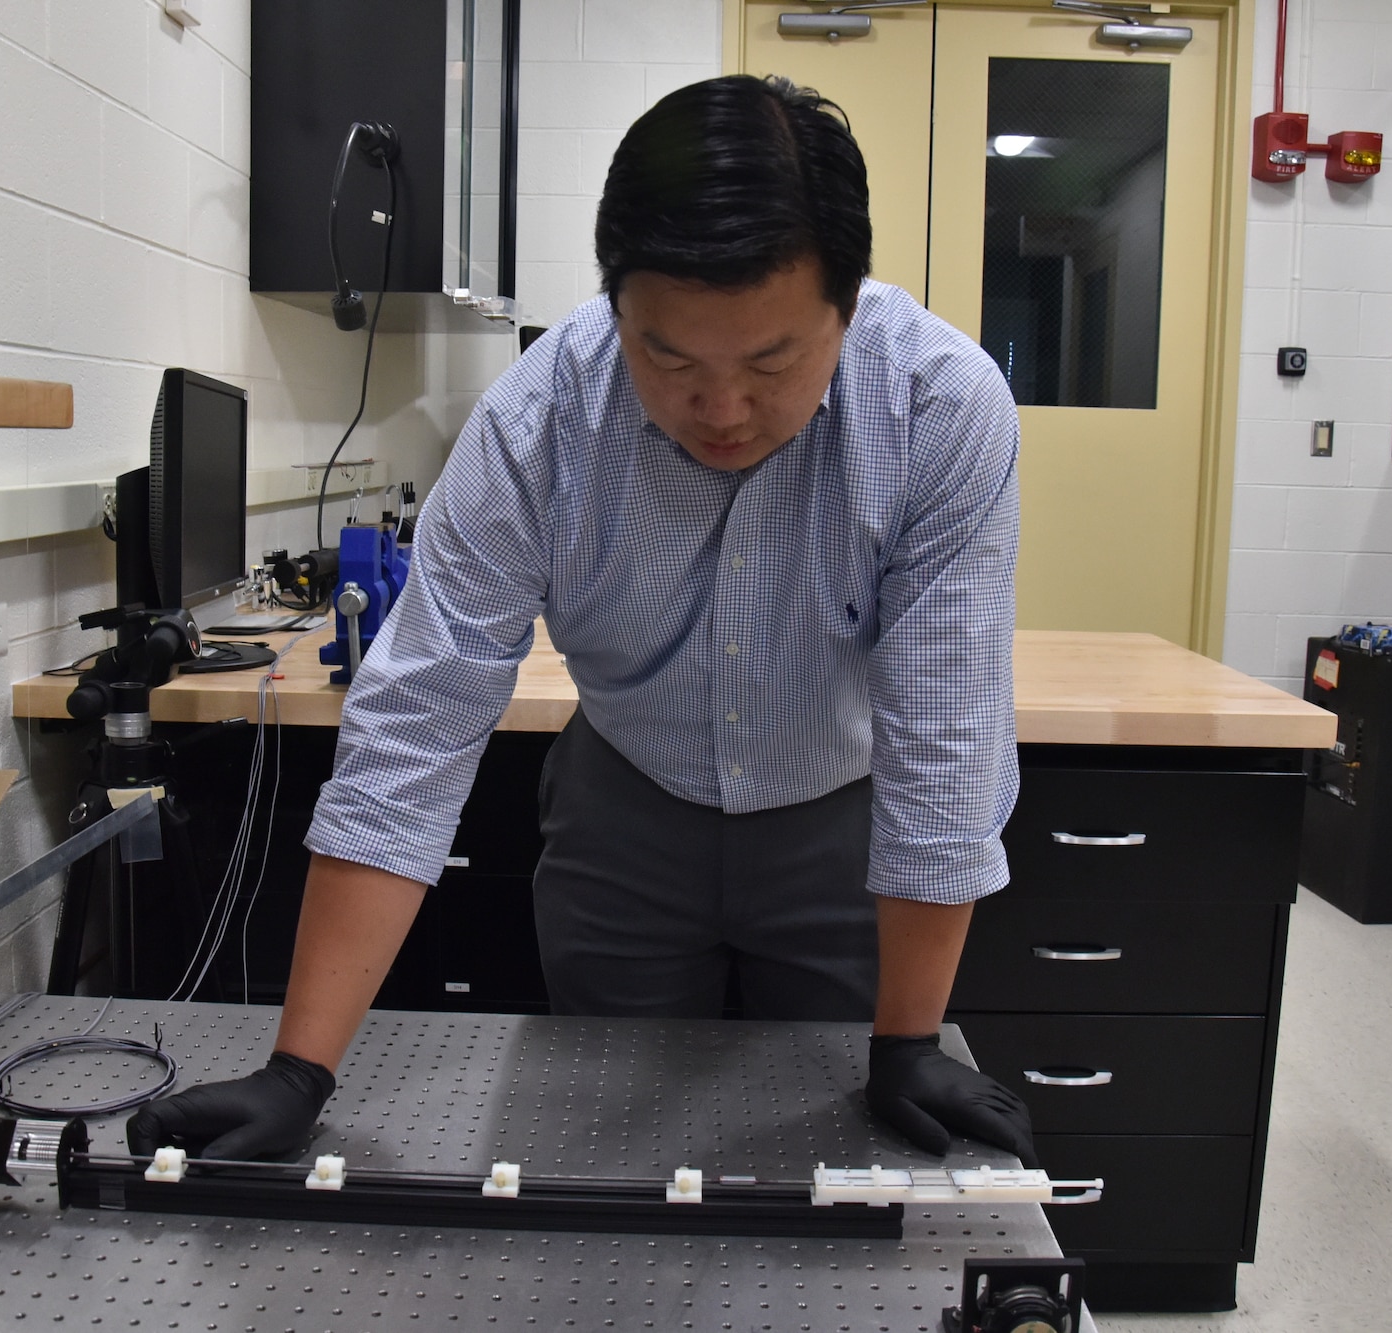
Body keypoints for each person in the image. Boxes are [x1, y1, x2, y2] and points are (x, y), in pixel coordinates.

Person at [128, 74, 1034, 1169]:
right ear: (612, 306)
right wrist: (298, 1070)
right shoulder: (539, 416)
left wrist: (909, 1040)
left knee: (832, 1149)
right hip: (623, 812)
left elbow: (944, 734)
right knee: (615, 1138)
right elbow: (417, 718)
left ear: (846, 305)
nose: (721, 409)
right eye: (669, 357)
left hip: (843, 821)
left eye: (770, 361)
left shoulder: (939, 406)